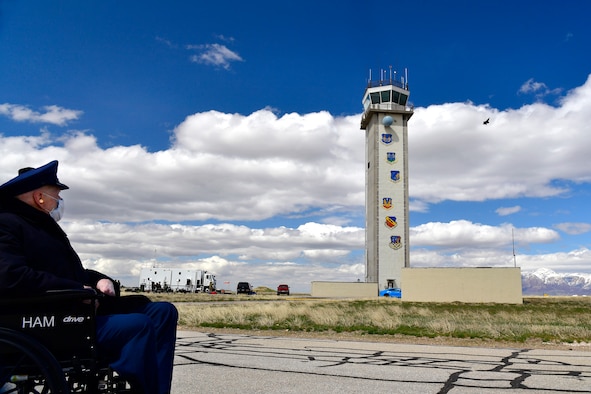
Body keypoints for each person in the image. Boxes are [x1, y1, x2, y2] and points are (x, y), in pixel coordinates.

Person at [0, 160, 178, 394]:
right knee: (138, 325)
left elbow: (69, 271)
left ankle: (157, 390)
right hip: (51, 319)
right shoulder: (7, 223)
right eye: (57, 196)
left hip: (74, 309)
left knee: (163, 312)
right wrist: (78, 289)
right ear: (40, 198)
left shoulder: (43, 226)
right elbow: (10, 277)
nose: (59, 202)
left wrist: (99, 280)